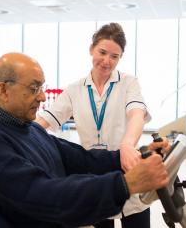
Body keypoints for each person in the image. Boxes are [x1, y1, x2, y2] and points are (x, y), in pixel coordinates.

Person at [0, 52, 170, 228]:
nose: (42, 97)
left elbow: (81, 159)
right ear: (3, 90)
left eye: (42, 87)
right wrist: (125, 185)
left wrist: (134, 156)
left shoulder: (28, 128)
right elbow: (44, 196)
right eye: (34, 88)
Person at [36, 22, 153, 228]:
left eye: (114, 56)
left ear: (120, 58)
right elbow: (44, 120)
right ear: (91, 49)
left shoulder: (128, 83)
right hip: (96, 178)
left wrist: (127, 145)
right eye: (102, 52)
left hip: (128, 167)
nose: (107, 61)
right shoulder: (75, 90)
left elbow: (137, 114)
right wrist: (16, 135)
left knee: (136, 216)